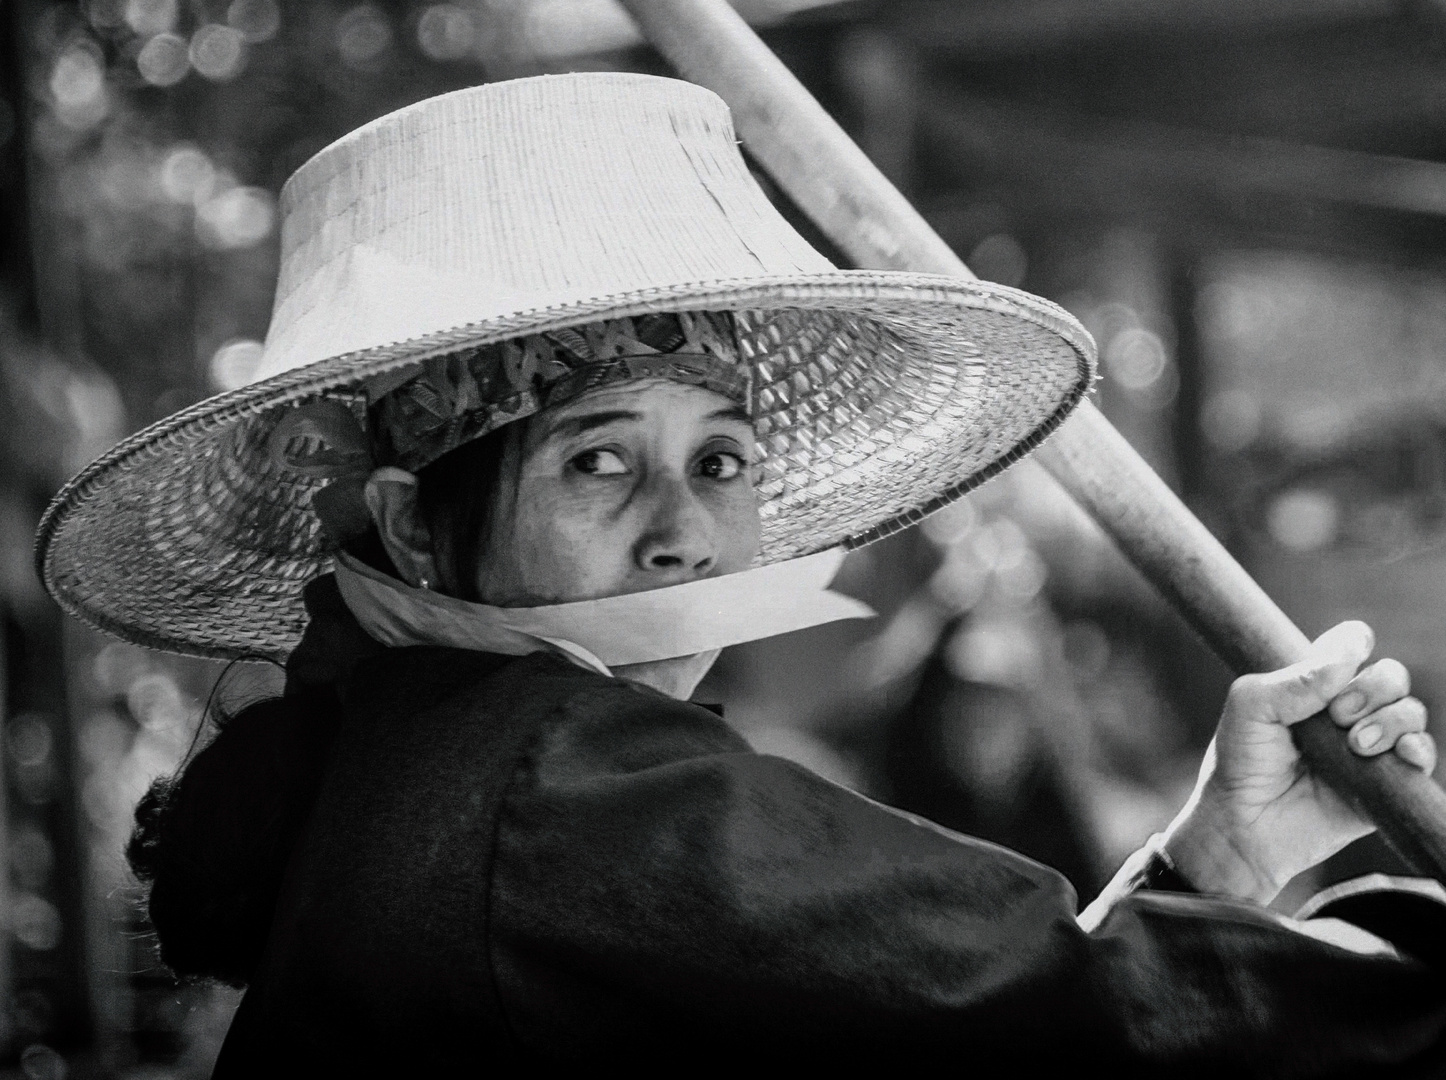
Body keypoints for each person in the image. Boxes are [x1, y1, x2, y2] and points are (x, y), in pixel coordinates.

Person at [36, 73, 1446, 1074]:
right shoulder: (550, 783)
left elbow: (960, 1023)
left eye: (719, 461)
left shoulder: (429, 758)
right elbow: (1084, 1032)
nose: (679, 533)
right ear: (413, 528)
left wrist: (1216, 862)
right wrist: (1397, 957)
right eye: (598, 463)